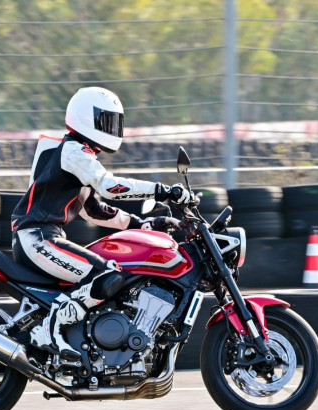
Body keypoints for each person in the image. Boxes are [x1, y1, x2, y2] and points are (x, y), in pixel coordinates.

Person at [11, 86, 190, 360]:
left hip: (44, 237)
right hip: (37, 238)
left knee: (111, 274)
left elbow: (95, 211)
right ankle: (50, 329)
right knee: (107, 273)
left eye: (114, 122)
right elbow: (109, 186)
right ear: (86, 117)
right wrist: (162, 190)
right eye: (106, 120)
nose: (112, 128)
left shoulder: (77, 155)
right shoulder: (73, 151)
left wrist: (142, 224)